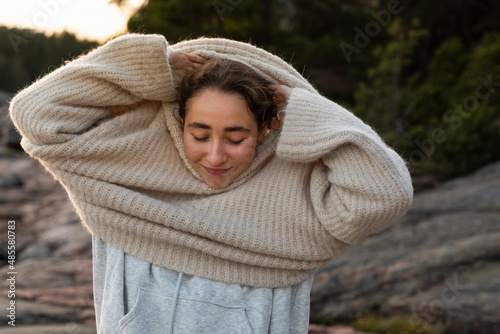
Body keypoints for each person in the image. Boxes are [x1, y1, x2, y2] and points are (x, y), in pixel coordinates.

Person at [9, 34, 413, 333]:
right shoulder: (128, 161)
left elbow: (386, 193)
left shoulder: (296, 189)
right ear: (179, 121)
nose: (215, 156)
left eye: (237, 138)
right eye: (199, 135)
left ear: (268, 127)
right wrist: (148, 67)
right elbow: (35, 112)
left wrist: (306, 106)